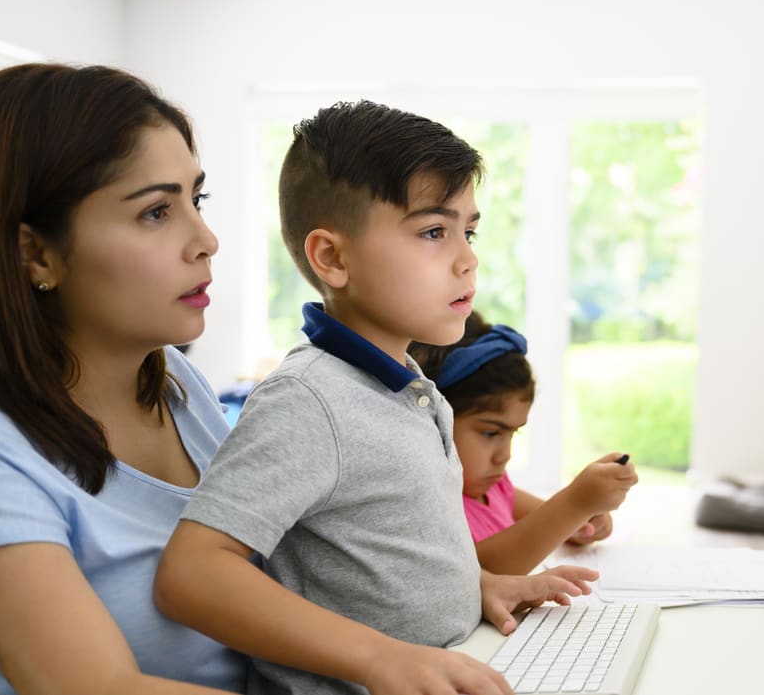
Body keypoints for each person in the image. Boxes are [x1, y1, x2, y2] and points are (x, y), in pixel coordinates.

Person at [153, 100, 596, 695]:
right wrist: (379, 659)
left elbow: (384, 562)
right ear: (332, 258)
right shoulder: (306, 401)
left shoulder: (413, 387)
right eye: (434, 232)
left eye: (469, 230)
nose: (468, 258)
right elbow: (193, 576)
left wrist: (476, 587)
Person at [0, 63, 246, 694]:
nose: (206, 239)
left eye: (197, 198)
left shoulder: (177, 386)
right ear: (36, 255)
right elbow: (96, 687)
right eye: (157, 212)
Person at [410, 313, 639, 575]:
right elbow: (474, 574)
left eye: (514, 434)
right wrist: (577, 504)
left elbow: (548, 520)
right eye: (490, 433)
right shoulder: (433, 504)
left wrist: (583, 521)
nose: (504, 456)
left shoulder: (497, 488)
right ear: (434, 421)